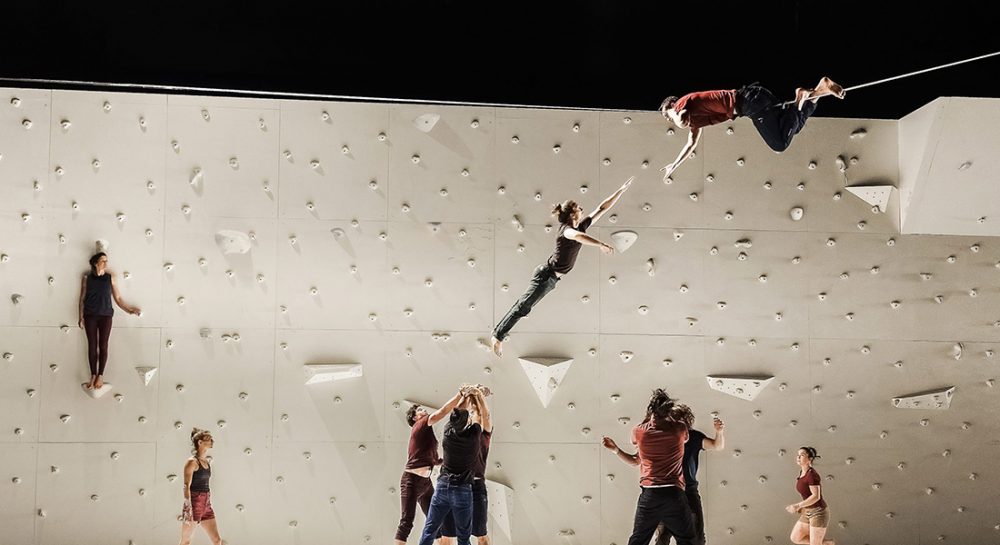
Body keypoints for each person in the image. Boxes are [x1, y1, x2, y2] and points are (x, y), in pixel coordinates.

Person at [490, 177, 634, 356]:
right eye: (579, 208)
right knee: (523, 307)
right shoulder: (566, 230)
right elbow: (578, 237)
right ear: (573, 213)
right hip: (546, 275)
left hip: (552, 278)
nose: (582, 210)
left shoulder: (580, 226)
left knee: (525, 307)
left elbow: (601, 208)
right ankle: (497, 336)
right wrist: (601, 244)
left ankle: (499, 334)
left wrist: (620, 190)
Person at [658, 78, 845, 180]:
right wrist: (674, 164)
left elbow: (680, 119)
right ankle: (818, 92)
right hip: (756, 97)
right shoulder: (695, 117)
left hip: (750, 103)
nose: (669, 119)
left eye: (667, 115)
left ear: (672, 105)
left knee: (779, 144)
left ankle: (800, 98)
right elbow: (691, 143)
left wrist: (673, 115)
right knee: (790, 128)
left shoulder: (681, 104)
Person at [603, 405, 725, 545]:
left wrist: (719, 432)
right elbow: (636, 460)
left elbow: (717, 446)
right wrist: (616, 450)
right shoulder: (660, 437)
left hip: (687, 491)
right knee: (663, 537)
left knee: (697, 538)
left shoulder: (693, 437)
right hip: (667, 491)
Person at [417, 386, 491, 545]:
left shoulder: (448, 431)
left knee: (430, 530)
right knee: (464, 537)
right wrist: (475, 396)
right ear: (468, 422)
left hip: (443, 487)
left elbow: (456, 411)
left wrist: (464, 394)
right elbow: (479, 415)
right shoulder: (473, 436)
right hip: (462, 489)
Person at [622, 389, 696, 545]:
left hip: (650, 495)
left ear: (651, 410)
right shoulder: (679, 429)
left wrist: (648, 418)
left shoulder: (639, 431)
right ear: (668, 410)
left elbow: (636, 445)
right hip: (674, 494)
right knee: (687, 540)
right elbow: (686, 437)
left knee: (638, 540)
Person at [395, 388, 467, 544]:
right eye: (420, 410)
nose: (424, 410)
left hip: (425, 484)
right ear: (415, 417)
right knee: (407, 521)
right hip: (411, 481)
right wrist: (460, 395)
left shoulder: (429, 439)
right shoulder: (420, 425)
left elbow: (435, 460)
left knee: (436, 521)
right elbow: (442, 412)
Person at [78, 252, 141, 390]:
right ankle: (93, 375)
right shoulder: (86, 277)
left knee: (104, 345)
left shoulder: (110, 277)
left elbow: (117, 298)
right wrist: (80, 316)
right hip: (90, 315)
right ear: (95, 263)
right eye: (103, 261)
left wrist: (129, 310)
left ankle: (100, 375)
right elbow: (82, 298)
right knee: (92, 345)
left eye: (106, 261)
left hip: (106, 316)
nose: (106, 263)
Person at [440, 385, 493, 545]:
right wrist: (469, 394)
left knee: (481, 533)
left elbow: (484, 415)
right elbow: (456, 414)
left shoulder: (483, 434)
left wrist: (477, 395)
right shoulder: (456, 435)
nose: (471, 416)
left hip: (476, 485)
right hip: (454, 484)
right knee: (446, 534)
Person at [179, 428, 223, 545]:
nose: (212, 441)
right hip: (194, 503)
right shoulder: (192, 462)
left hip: (206, 504)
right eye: (208, 439)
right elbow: (186, 485)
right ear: (200, 442)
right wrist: (187, 507)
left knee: (217, 540)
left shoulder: (206, 462)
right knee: (185, 541)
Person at [786, 447, 835, 545]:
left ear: (810, 459)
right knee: (795, 538)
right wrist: (802, 507)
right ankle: (826, 543)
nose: (798, 457)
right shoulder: (802, 472)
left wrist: (798, 506)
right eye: (798, 455)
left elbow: (816, 496)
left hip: (818, 512)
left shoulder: (812, 475)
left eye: (802, 455)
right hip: (807, 511)